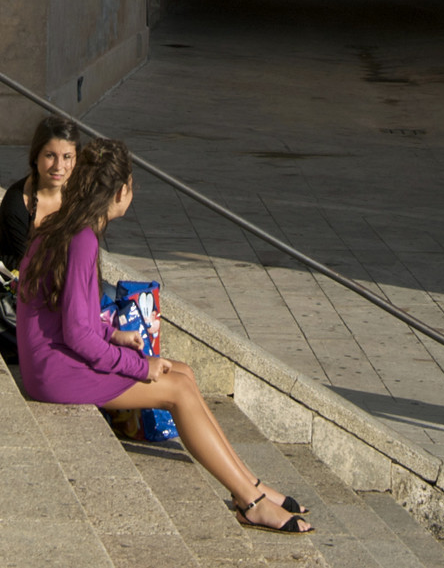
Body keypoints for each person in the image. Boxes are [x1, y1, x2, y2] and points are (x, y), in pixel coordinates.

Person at [16, 138, 311, 536]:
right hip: (56, 371)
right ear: (120, 192)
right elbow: (75, 334)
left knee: (184, 373)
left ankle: (251, 484)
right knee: (178, 391)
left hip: (52, 360)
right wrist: (138, 365)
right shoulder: (81, 238)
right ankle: (250, 501)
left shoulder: (66, 227)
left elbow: (72, 316)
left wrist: (115, 335)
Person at [0, 114, 81, 360]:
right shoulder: (16, 202)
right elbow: (33, 271)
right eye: (50, 155)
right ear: (35, 156)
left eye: (67, 157)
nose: (59, 166)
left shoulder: (78, 199)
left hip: (58, 296)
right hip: (12, 306)